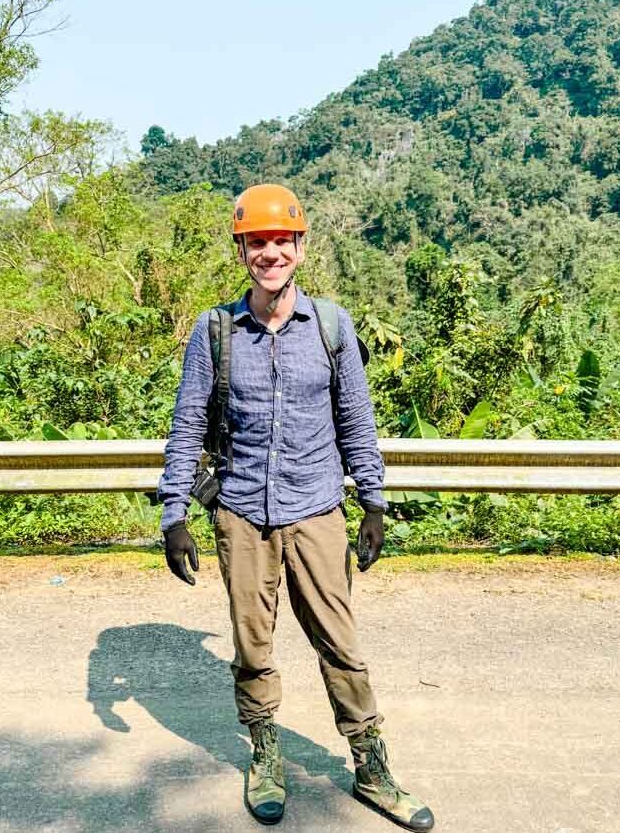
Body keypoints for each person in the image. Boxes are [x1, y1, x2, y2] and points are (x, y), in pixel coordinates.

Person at [157, 183, 435, 831]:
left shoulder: (332, 327)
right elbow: (187, 424)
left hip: (316, 509)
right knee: (253, 646)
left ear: (300, 248)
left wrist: (373, 501)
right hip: (242, 513)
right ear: (243, 252)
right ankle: (264, 754)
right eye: (258, 242)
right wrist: (175, 512)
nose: (270, 252)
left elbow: (357, 423)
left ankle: (370, 764)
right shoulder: (215, 330)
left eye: (281, 240)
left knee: (340, 642)